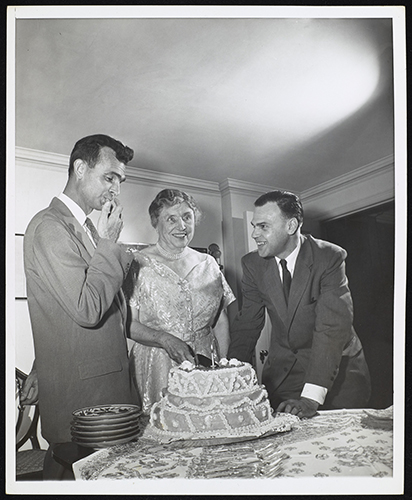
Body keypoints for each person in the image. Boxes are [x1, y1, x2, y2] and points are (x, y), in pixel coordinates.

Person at [21, 134, 136, 479]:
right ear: (80, 168)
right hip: (87, 400)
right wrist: (111, 244)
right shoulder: (50, 227)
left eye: (121, 180)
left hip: (100, 393)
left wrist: (40, 365)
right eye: (109, 177)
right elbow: (87, 308)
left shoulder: (83, 229)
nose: (116, 189)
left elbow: (61, 312)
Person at [227, 190, 371, 418]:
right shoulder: (252, 264)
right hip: (284, 373)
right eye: (254, 225)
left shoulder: (329, 258)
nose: (254, 234)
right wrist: (230, 377)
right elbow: (247, 324)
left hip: (338, 372)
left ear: (291, 226)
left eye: (263, 226)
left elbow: (331, 329)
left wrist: (310, 397)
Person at [125, 188, 236, 414]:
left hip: (205, 366)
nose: (182, 226)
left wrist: (224, 364)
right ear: (156, 222)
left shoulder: (209, 264)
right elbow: (128, 324)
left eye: (187, 217)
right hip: (157, 367)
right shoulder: (137, 264)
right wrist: (165, 339)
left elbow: (220, 320)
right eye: (171, 219)